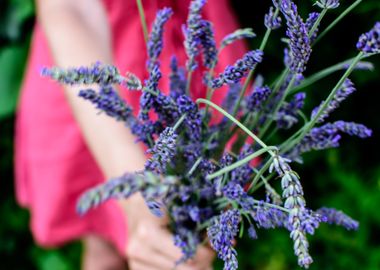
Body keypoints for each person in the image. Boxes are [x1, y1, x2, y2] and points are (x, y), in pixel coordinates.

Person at [15, 0, 246, 269]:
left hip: (195, 48)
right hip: (95, 60)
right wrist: (139, 194)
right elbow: (70, 7)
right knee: (107, 243)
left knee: (191, 238)